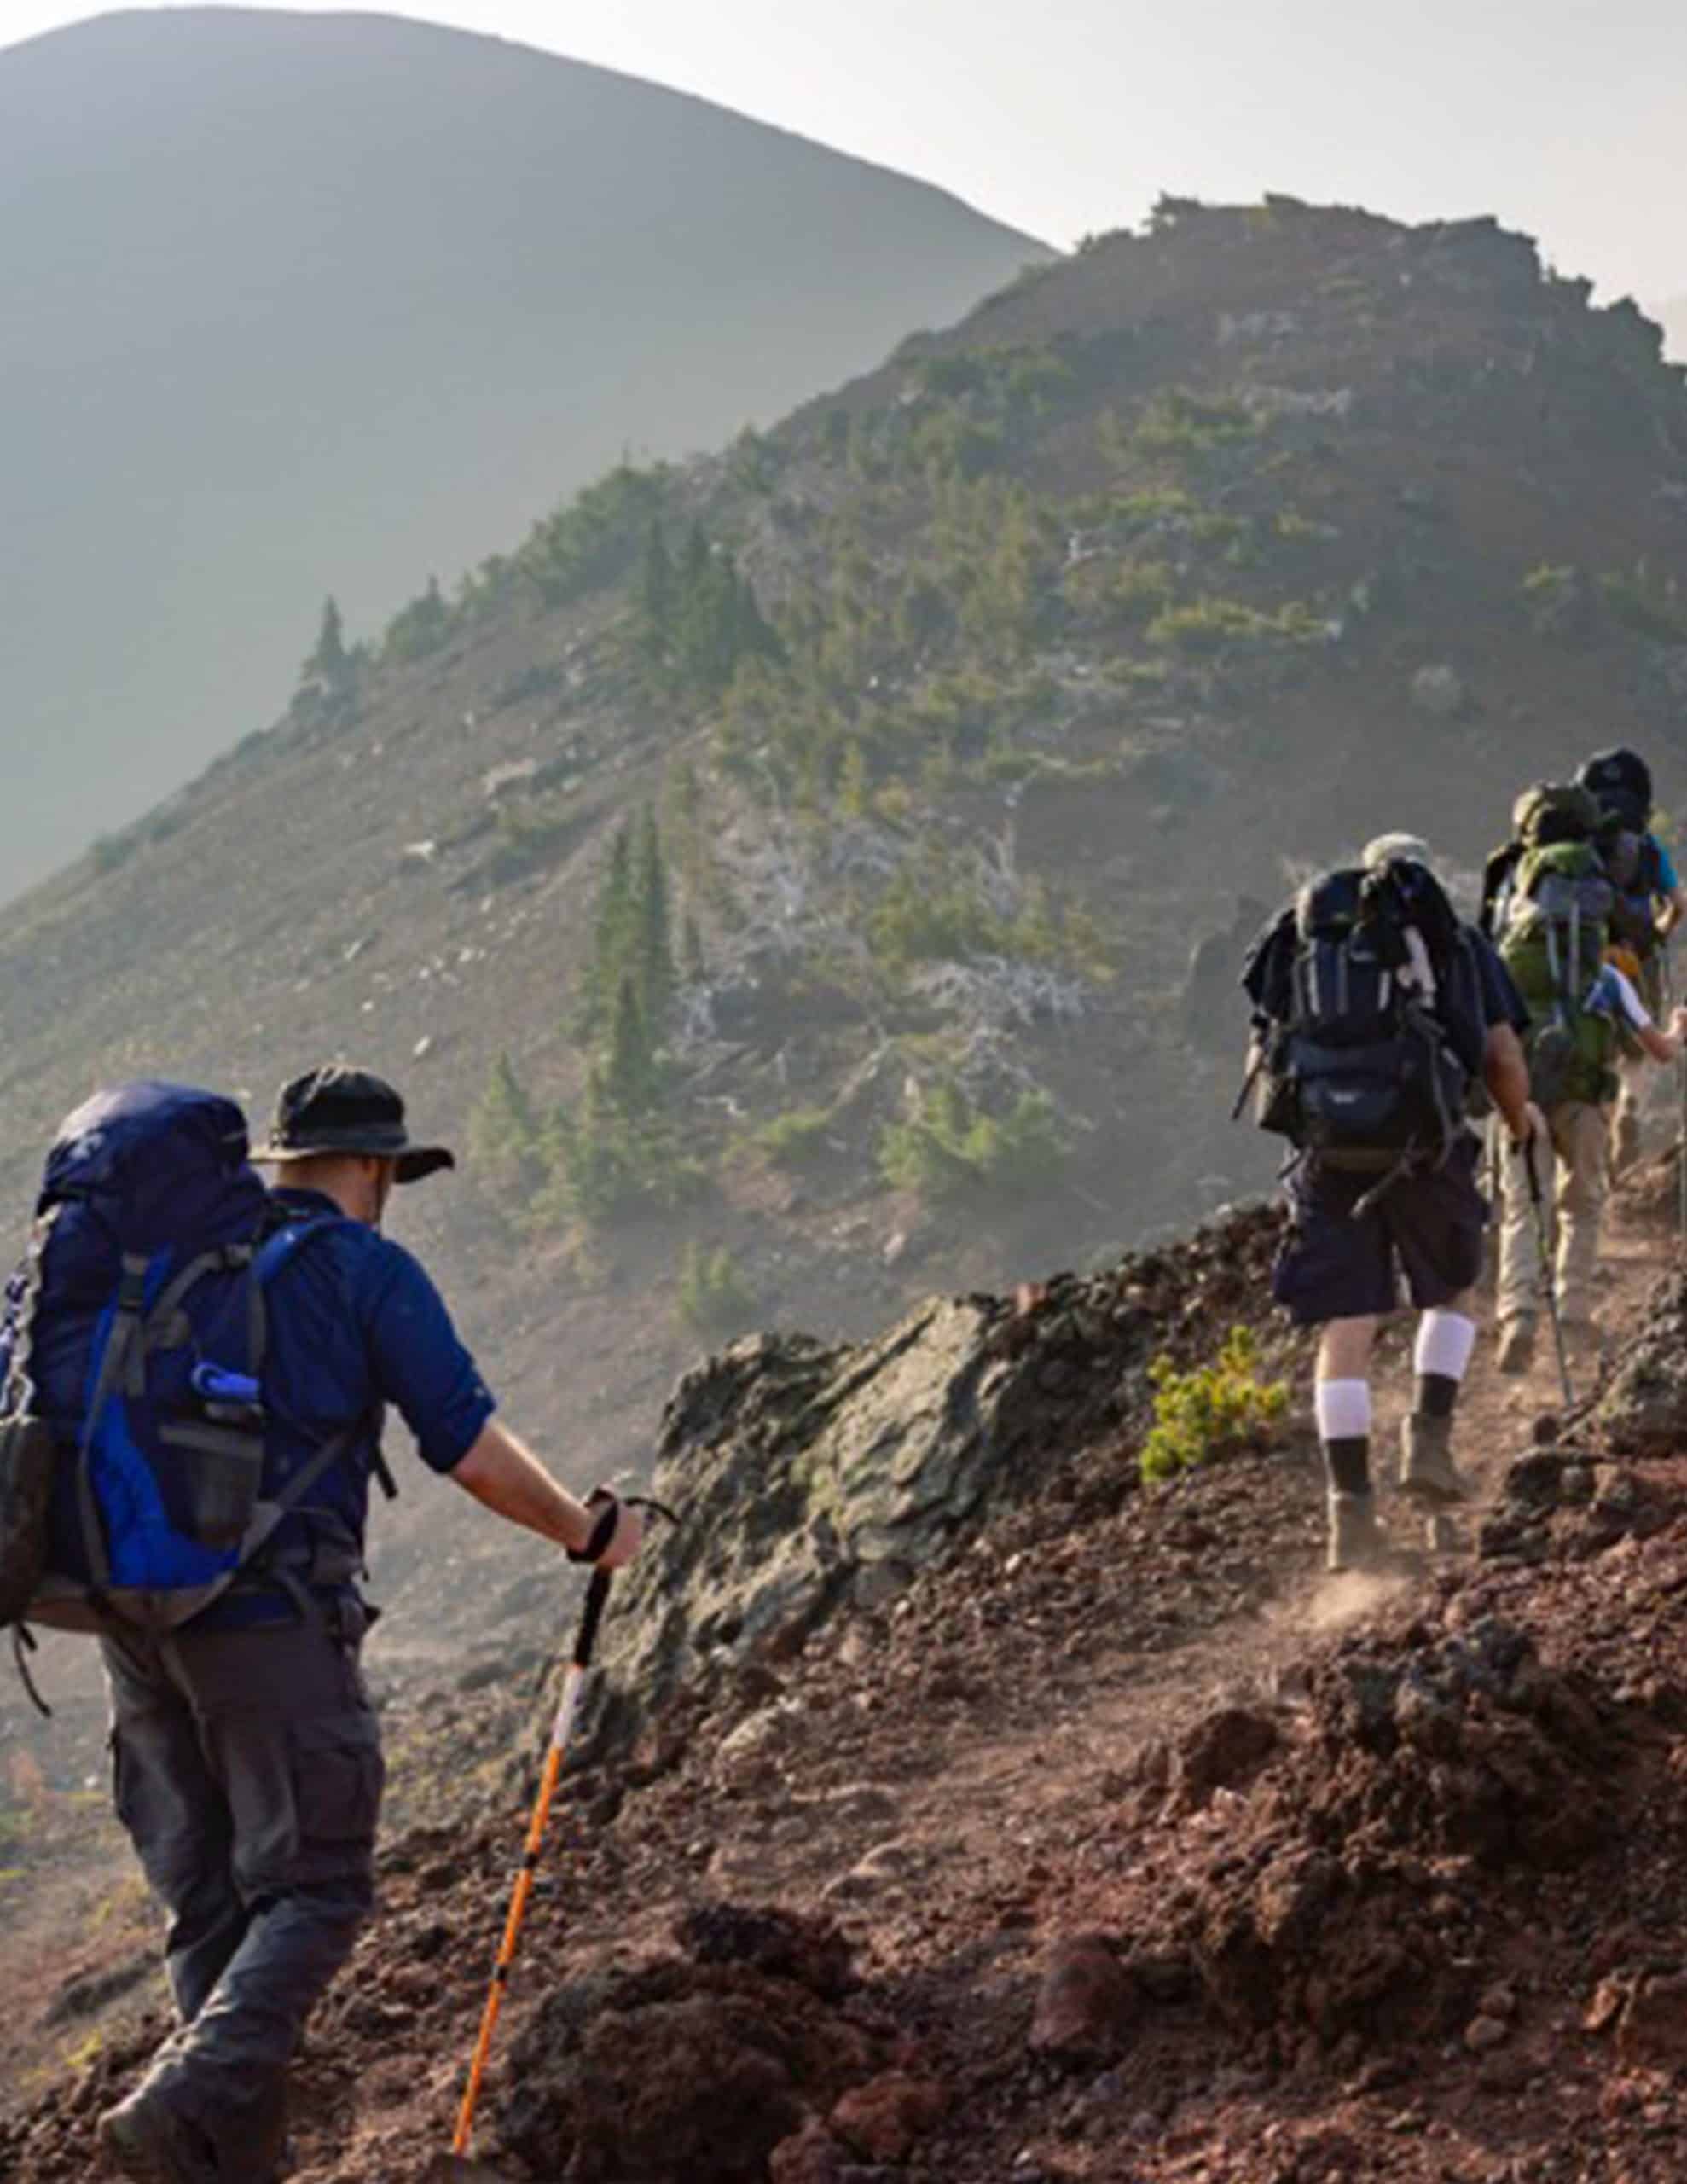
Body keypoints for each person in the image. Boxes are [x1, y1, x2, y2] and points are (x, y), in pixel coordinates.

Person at [93, 1066, 645, 2184]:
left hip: (133, 1620)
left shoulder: (181, 1264)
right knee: (315, 1887)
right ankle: (182, 2102)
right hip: (269, 1621)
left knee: (212, 1908)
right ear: (373, 1166)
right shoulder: (363, 1270)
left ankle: (226, 2164)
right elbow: (467, 1447)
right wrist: (583, 1531)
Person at [1243, 834, 1539, 1572]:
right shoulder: (1455, 943)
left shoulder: (1301, 945)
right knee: (1452, 1290)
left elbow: (1262, 1058)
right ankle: (1428, 1442)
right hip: (1424, 1149)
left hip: (1328, 1161)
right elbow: (1501, 1055)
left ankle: (1350, 1517)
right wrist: (1517, 1122)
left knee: (1346, 1328)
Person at [1574, 747, 1685, 1174]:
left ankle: (1599, 1125)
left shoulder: (1575, 846)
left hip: (1586, 960)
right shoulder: (1647, 845)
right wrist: (1656, 933)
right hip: (1636, 958)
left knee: (1593, 1048)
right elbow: (1679, 904)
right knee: (1637, 1049)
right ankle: (1631, 1109)